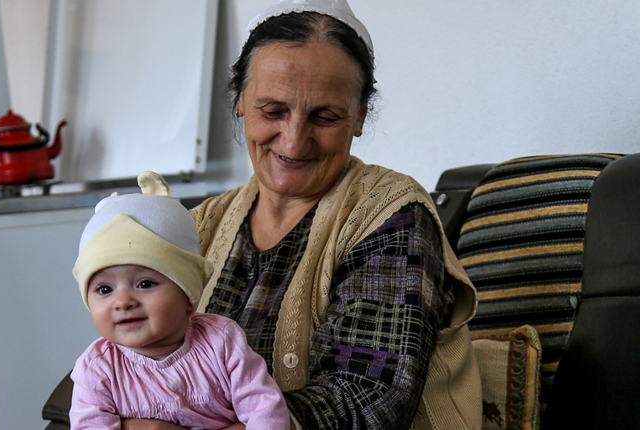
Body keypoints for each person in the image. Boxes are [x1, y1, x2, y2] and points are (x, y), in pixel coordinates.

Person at [188, 1, 482, 429]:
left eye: (324, 117)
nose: (293, 142)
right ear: (239, 99)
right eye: (272, 111)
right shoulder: (199, 226)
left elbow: (368, 396)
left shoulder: (390, 214)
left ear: (360, 115)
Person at [69, 171, 291, 430]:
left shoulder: (222, 342)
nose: (122, 301)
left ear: (188, 293)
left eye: (144, 284)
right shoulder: (97, 369)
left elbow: (265, 411)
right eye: (104, 289)